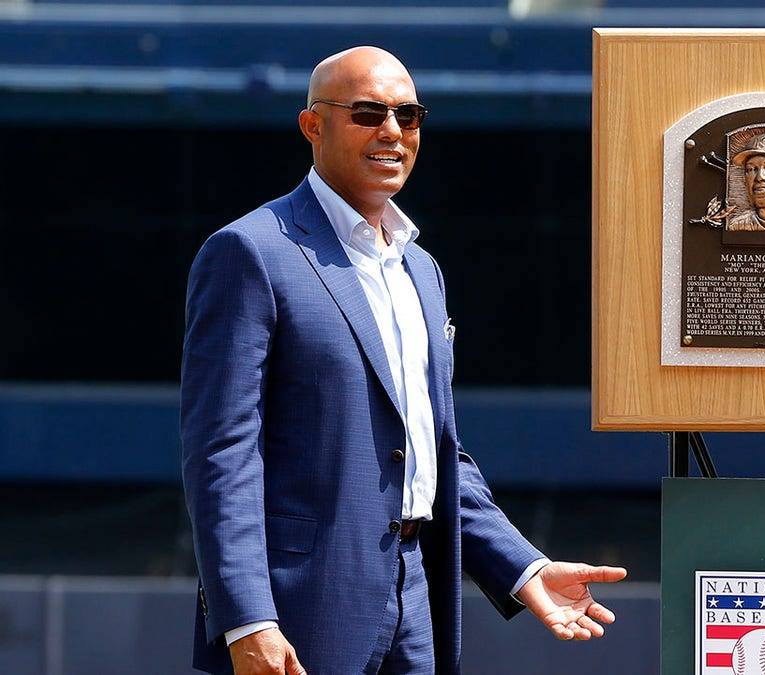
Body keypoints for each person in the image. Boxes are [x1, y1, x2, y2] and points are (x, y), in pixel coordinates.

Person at [180, 45, 626, 675]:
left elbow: (433, 450)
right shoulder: (250, 253)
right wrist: (246, 617)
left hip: (418, 597)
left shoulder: (421, 268)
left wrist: (524, 568)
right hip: (301, 607)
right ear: (313, 126)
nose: (392, 131)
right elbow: (221, 454)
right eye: (367, 113)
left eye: (409, 116)